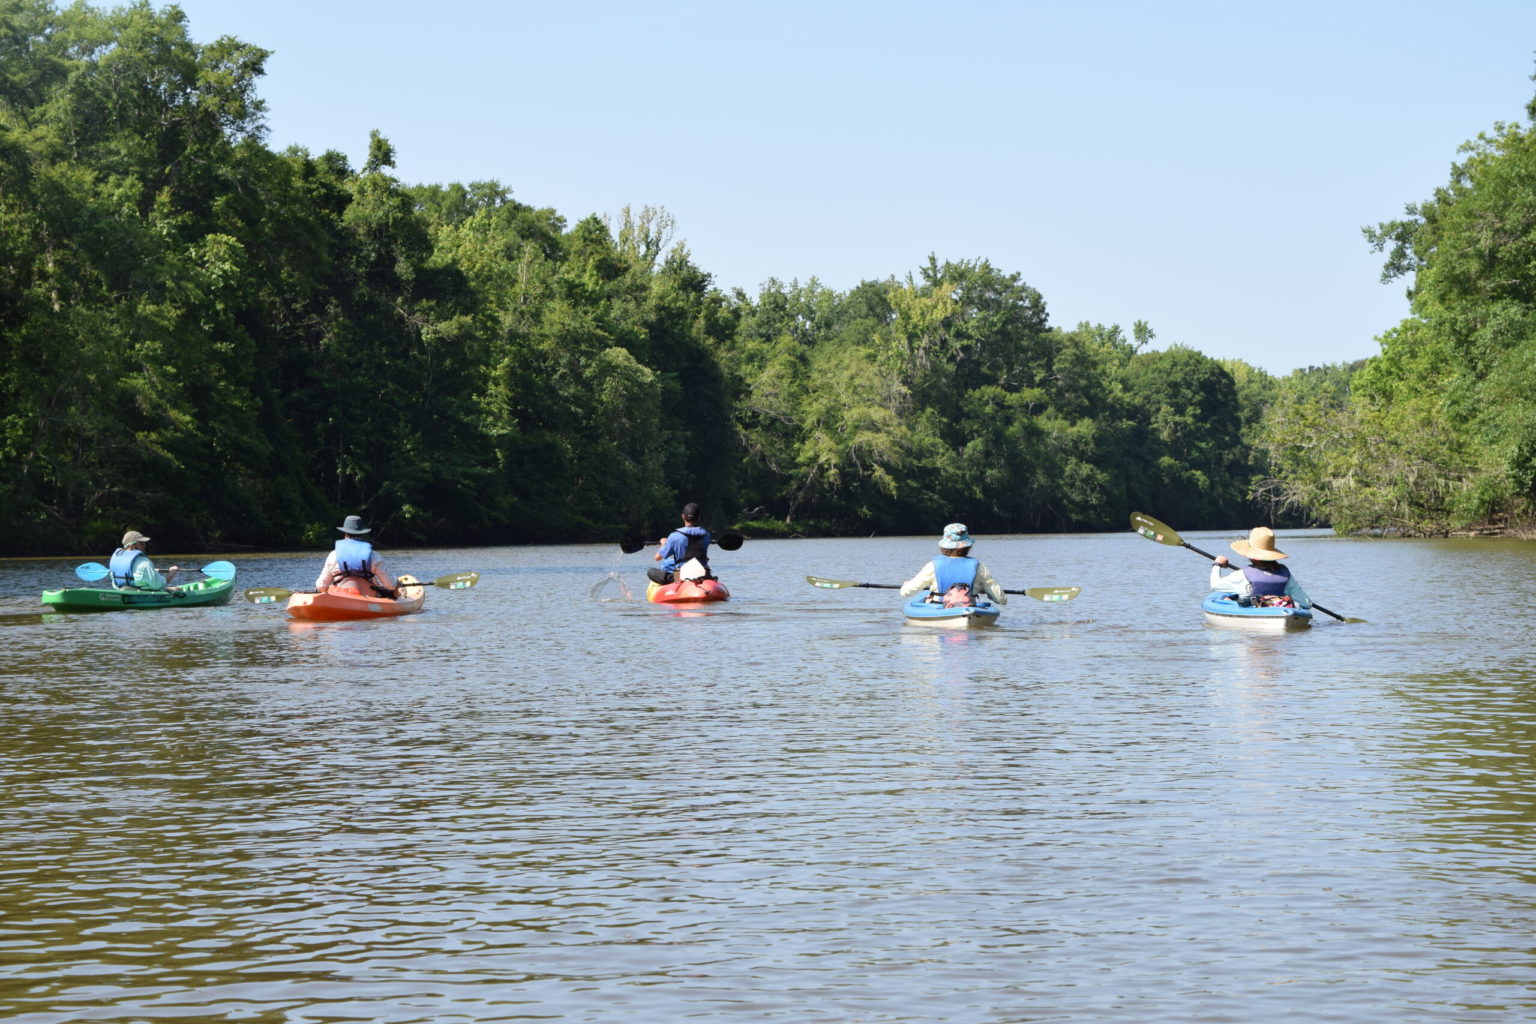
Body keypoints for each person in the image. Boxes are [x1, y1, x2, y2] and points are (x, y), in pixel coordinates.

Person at [899, 523, 1007, 606]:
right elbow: (1001, 600)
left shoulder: (932, 565)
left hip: (939, 607)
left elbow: (905, 592)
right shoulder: (979, 566)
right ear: (968, 546)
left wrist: (906, 585)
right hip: (968, 606)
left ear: (944, 545)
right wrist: (981, 588)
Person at [1210, 526, 1311, 608]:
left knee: (1231, 599)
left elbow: (1215, 585)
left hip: (1257, 612)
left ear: (1251, 554)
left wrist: (1217, 564)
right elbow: (1307, 604)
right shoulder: (1285, 575)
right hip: (1280, 610)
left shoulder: (1242, 574)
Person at [314, 515, 397, 596]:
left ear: (345, 533)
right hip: (368, 598)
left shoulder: (333, 555)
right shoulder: (374, 556)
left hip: (341, 598)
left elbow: (321, 586)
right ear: (362, 534)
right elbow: (390, 586)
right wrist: (398, 583)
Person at [648, 502, 713, 584]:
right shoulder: (707, 534)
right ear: (699, 517)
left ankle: (673, 580)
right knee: (668, 563)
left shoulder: (674, 536)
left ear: (683, 517)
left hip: (682, 575)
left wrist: (664, 543)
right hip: (702, 573)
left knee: (651, 572)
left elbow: (657, 557)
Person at [109, 530, 180, 591]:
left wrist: (151, 570)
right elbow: (157, 585)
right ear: (132, 546)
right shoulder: (144, 563)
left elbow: (114, 584)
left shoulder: (117, 561)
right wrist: (171, 574)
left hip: (122, 590)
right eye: (141, 543)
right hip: (142, 593)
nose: (144, 545)